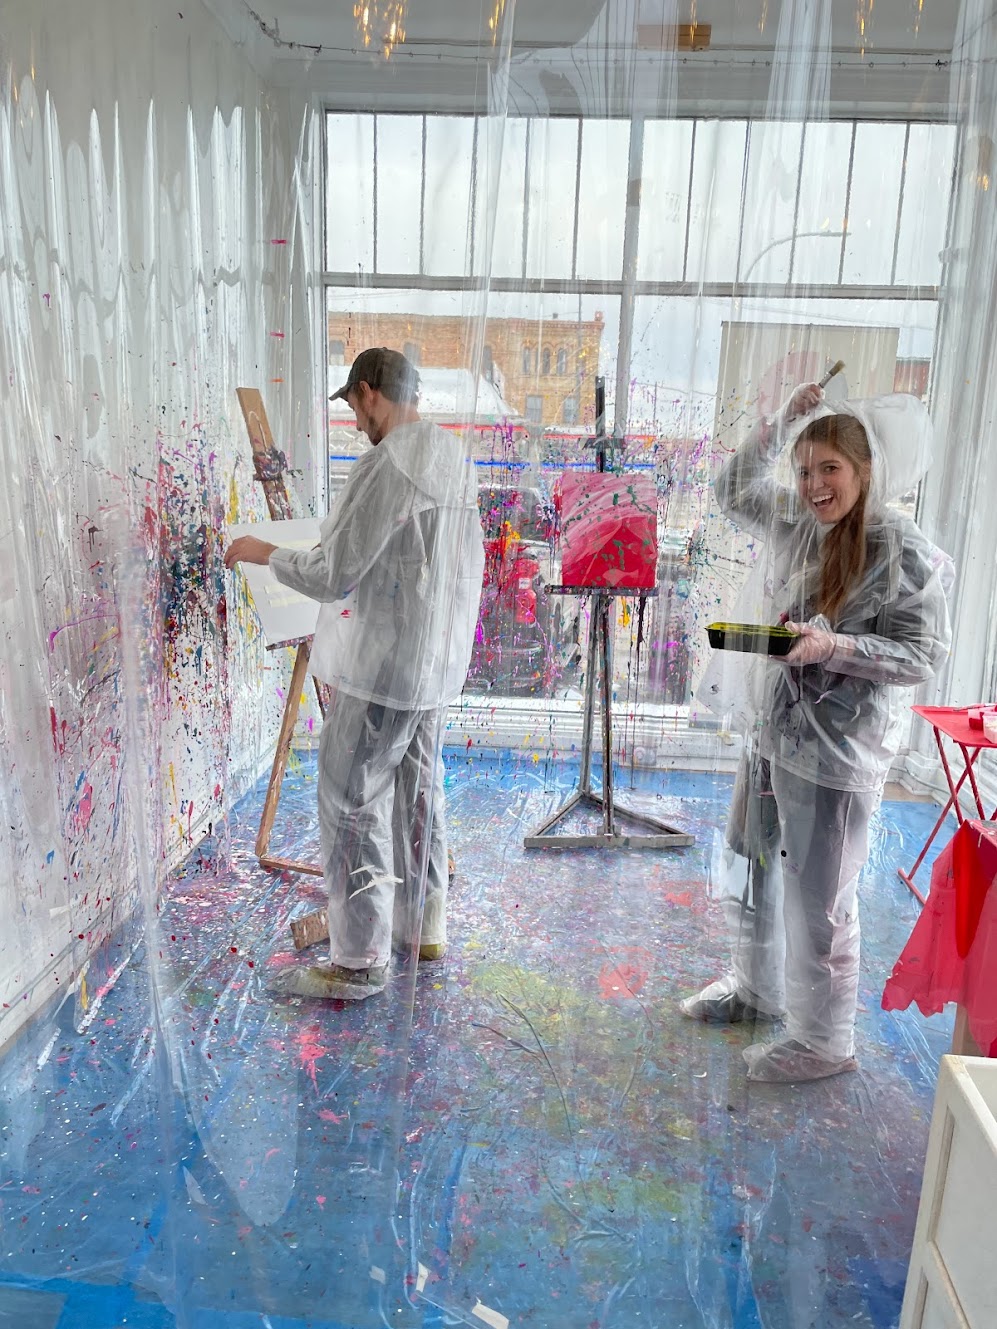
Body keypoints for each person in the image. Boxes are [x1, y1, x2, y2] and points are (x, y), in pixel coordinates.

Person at [683, 382, 953, 1082]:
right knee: (750, 858)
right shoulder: (800, 523)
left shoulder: (900, 548)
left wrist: (831, 649)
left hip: (838, 751)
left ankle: (824, 1039)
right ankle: (756, 988)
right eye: (803, 469)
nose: (812, 484)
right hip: (774, 731)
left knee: (818, 899)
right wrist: (775, 425)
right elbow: (730, 490)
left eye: (828, 467)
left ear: (864, 471)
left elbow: (920, 656)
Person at [224, 348, 484, 1000]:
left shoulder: (387, 463)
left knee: (349, 800)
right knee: (420, 791)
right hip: (431, 663)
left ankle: (358, 960)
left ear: (371, 392)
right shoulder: (449, 456)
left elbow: (333, 571)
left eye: (354, 406)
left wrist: (263, 552)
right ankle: (423, 927)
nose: (355, 421)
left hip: (384, 666)